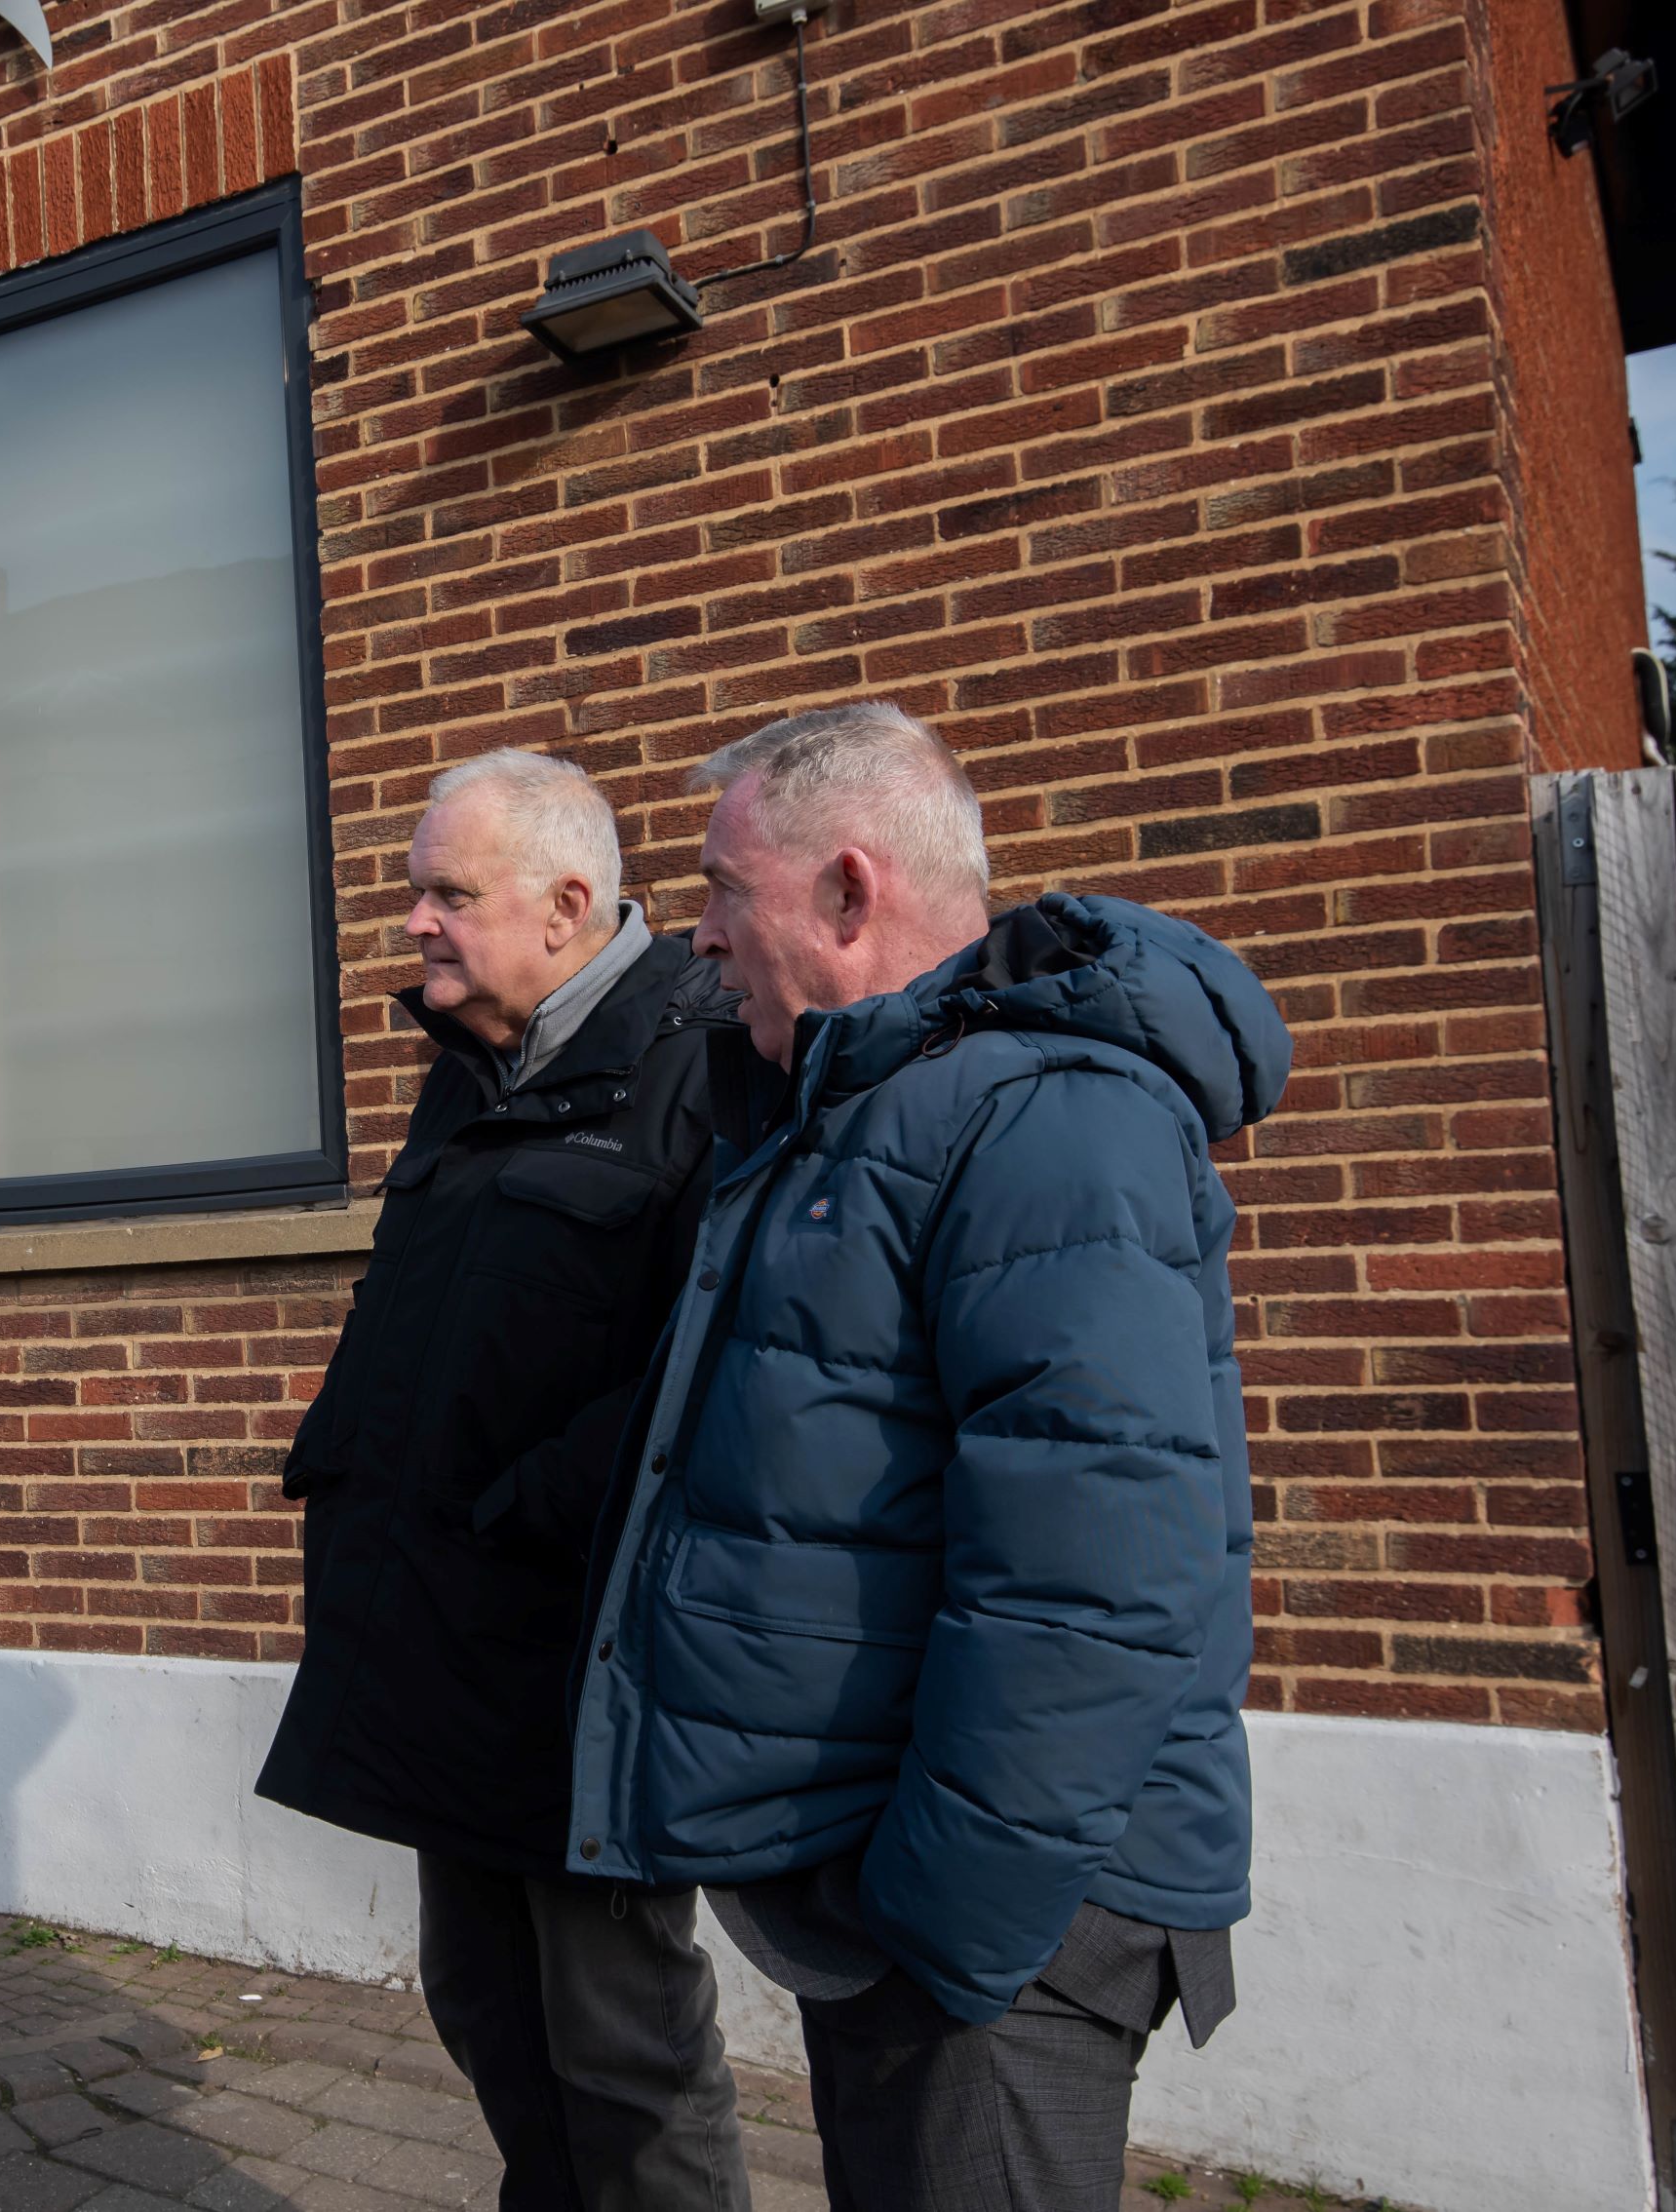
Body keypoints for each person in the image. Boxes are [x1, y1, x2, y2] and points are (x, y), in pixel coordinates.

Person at [565, 702, 1290, 2210]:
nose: (694, 936)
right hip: (924, 1894)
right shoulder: (869, 1111)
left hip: (1002, 1920)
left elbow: (1095, 1578)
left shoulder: (1048, 1120)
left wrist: (945, 1919)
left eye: (718, 887)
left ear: (847, 888)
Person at [254, 749, 764, 2212]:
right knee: (477, 1994)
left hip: (579, 1652)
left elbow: (709, 1371)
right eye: (418, 891)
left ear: (567, 902)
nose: (413, 921)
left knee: (623, 2042)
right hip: (439, 1638)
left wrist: (527, 1505)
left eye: (446, 893)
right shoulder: (468, 1070)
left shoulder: (707, 1061)